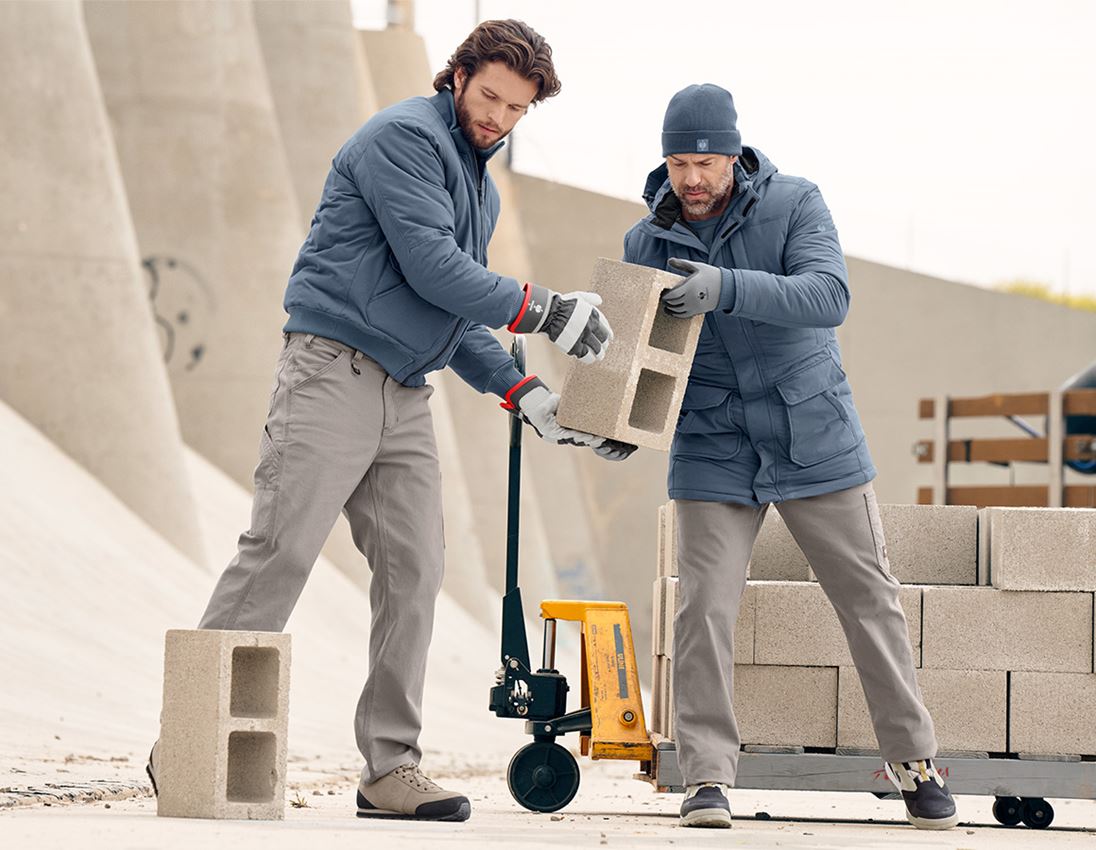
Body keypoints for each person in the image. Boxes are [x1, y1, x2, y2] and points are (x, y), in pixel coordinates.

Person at [147, 20, 625, 823]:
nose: (499, 117)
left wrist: (523, 393)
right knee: (281, 553)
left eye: (517, 108)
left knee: (416, 571)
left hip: (405, 391)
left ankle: (389, 768)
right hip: (332, 369)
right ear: (459, 75)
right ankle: (187, 740)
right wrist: (545, 310)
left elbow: (456, 310)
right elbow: (434, 267)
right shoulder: (402, 139)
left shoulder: (479, 185)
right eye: (490, 96)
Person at [622, 84, 958, 831]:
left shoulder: (796, 203)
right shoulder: (646, 241)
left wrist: (726, 287)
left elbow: (827, 295)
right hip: (712, 444)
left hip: (813, 436)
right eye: (677, 163)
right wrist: (621, 421)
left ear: (733, 155)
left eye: (704, 161)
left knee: (869, 598)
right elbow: (643, 356)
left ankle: (915, 764)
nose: (692, 180)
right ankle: (706, 778)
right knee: (702, 606)